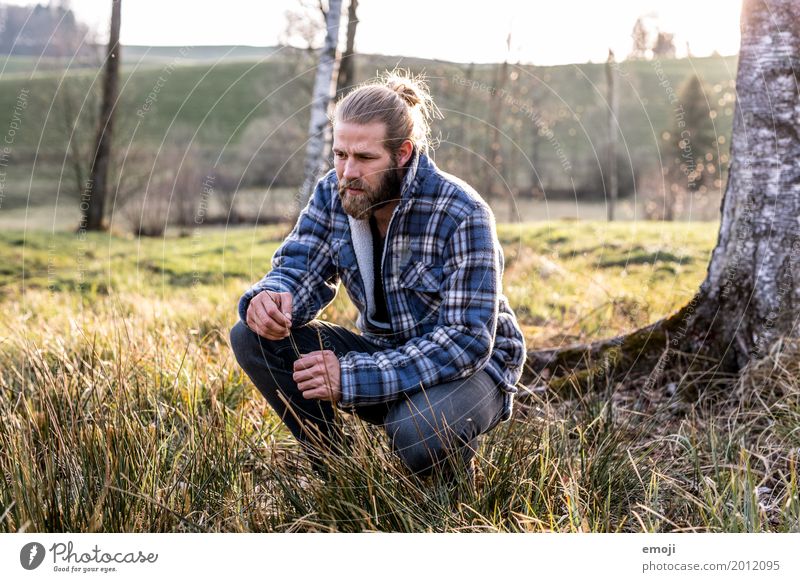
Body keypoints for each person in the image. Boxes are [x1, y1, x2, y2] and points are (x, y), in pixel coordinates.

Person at [230, 71, 526, 485]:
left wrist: (351, 377)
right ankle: (338, 471)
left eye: (364, 158)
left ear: (402, 153)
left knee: (414, 433)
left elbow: (467, 340)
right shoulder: (333, 193)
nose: (347, 171)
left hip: (473, 369)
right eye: (339, 154)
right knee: (249, 335)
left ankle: (449, 485)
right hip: (385, 352)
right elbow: (300, 266)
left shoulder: (462, 212)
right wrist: (273, 299)